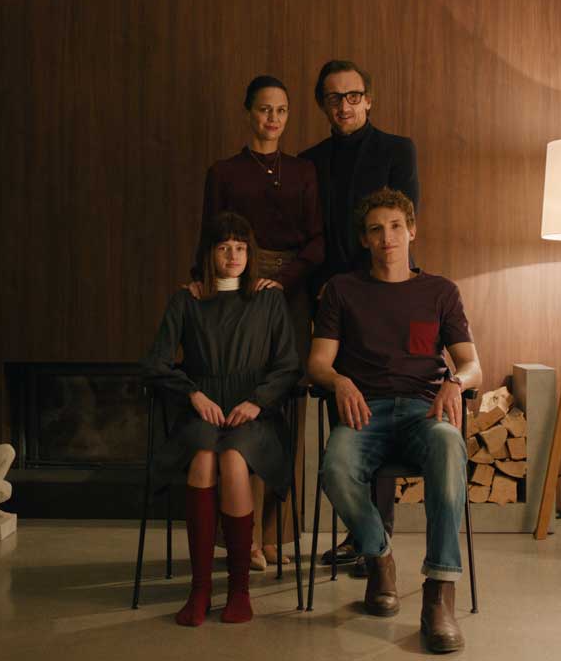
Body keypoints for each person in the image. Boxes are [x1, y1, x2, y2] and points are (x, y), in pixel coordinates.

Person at [308, 189, 481, 653]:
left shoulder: (440, 292)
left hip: (425, 412)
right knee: (335, 470)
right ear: (365, 240)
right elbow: (318, 362)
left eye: (396, 227)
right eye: (376, 230)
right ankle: (379, 556)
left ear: (412, 231)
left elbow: (472, 365)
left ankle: (438, 594)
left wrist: (456, 383)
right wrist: (339, 380)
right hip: (365, 412)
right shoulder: (342, 290)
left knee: (448, 445)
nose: (387, 237)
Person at [139, 212, 300, 626]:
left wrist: (258, 402)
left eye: (241, 247)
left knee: (232, 459)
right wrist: (192, 394)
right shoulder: (187, 299)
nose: (233, 256)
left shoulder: (268, 298)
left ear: (250, 253)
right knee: (203, 458)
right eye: (224, 247)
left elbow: (287, 366)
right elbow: (155, 364)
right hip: (203, 409)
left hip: (255, 413)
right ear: (208, 253)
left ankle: (239, 589)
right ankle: (200, 588)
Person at [192, 75, 323, 570]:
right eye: (265, 109)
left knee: (283, 404)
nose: (273, 118)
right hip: (237, 289)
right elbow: (209, 236)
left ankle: (275, 536)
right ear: (248, 111)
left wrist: (282, 280)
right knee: (239, 402)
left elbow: (317, 242)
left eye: (282, 110)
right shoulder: (224, 171)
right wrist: (201, 286)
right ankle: (240, 537)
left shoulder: (304, 171)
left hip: (290, 293)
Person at [300, 59, 418, 572]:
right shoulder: (311, 161)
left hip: (385, 289)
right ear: (323, 105)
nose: (344, 105)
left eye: (353, 96)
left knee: (384, 393)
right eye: (333, 98)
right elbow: (313, 233)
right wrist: (329, 287)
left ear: (368, 99)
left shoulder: (397, 149)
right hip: (331, 295)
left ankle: (378, 535)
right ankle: (361, 533)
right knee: (344, 406)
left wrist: (363, 281)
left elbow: (400, 220)